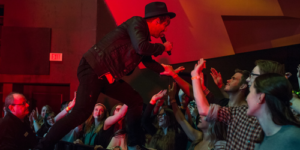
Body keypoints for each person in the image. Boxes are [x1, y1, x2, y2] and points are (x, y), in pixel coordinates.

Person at [36, 2, 177, 150]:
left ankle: (134, 144)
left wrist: (165, 70)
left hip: (106, 76)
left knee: (135, 100)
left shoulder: (142, 38)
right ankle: (42, 146)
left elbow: (147, 61)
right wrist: (163, 47)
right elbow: (141, 48)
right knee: (80, 113)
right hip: (94, 68)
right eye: (165, 25)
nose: (165, 30)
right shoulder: (137, 23)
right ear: (156, 21)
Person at [191, 58, 288, 150]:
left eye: (253, 75)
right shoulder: (241, 112)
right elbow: (204, 109)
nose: (248, 80)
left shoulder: (285, 127)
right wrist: (195, 77)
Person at [247, 73, 300, 150]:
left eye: (250, 91)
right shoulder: (262, 138)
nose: (246, 98)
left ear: (260, 98)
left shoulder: (294, 137)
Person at [169, 83, 227, 150]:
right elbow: (182, 120)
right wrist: (172, 99)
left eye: (204, 115)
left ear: (213, 121)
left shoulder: (219, 146)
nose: (200, 116)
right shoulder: (198, 137)